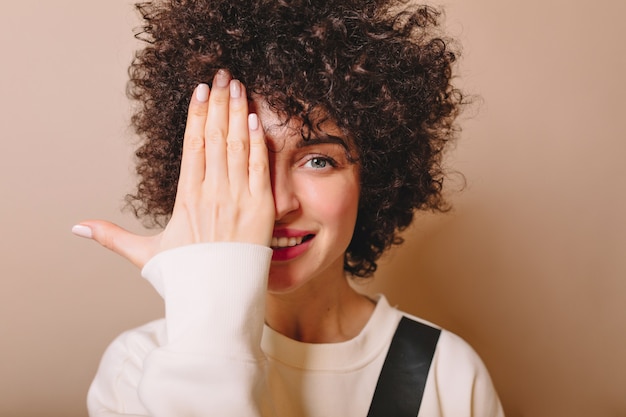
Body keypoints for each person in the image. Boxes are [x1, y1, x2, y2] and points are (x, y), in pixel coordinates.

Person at [72, 0, 504, 415]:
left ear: (372, 177)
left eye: (318, 160)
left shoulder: (448, 375)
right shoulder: (139, 367)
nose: (276, 205)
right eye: (245, 160)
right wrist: (208, 339)